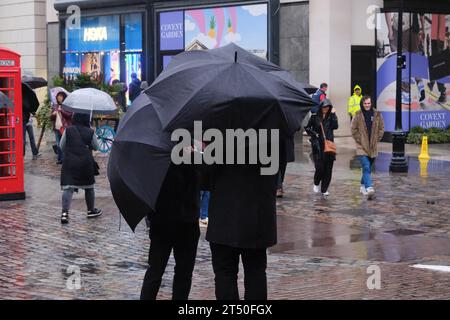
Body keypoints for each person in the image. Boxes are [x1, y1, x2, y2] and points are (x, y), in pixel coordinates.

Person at [206, 133, 279, 300]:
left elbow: (205, 177)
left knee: (225, 273)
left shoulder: (218, 126)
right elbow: (278, 170)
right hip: (258, 215)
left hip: (224, 213)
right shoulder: (274, 128)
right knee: (256, 272)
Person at [140, 160, 201, 300]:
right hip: (185, 220)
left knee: (156, 270)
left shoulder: (157, 157)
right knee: (182, 273)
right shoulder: (193, 156)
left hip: (164, 220)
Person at [59, 113, 102, 224]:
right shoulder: (90, 132)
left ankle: (64, 214)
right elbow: (97, 147)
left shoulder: (68, 130)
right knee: (89, 187)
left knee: (68, 187)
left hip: (70, 162)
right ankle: (90, 210)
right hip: (85, 163)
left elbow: (61, 146)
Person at [351, 95, 385, 200]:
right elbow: (353, 129)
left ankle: (362, 186)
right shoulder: (357, 114)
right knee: (366, 166)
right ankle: (369, 187)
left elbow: (381, 128)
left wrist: (377, 138)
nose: (367, 105)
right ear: (362, 104)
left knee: (368, 167)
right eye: (365, 103)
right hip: (361, 146)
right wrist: (359, 139)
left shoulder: (377, 114)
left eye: (368, 103)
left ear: (371, 103)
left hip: (373, 146)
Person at [305, 98, 338, 199]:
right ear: (321, 107)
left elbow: (335, 126)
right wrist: (314, 134)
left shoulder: (331, 117)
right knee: (319, 168)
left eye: (328, 107)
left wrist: (333, 115)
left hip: (329, 145)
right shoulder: (315, 117)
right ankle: (316, 182)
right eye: (324, 107)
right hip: (318, 146)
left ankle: (324, 189)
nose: (326, 109)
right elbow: (307, 128)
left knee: (328, 169)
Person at [51, 91, 73, 164]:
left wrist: (62, 111)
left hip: (65, 127)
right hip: (57, 127)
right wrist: (53, 114)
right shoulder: (55, 106)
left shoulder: (67, 106)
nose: (59, 97)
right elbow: (51, 118)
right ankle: (60, 158)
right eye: (58, 96)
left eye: (60, 96)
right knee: (58, 143)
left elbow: (69, 115)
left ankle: (64, 159)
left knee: (64, 143)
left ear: (64, 97)